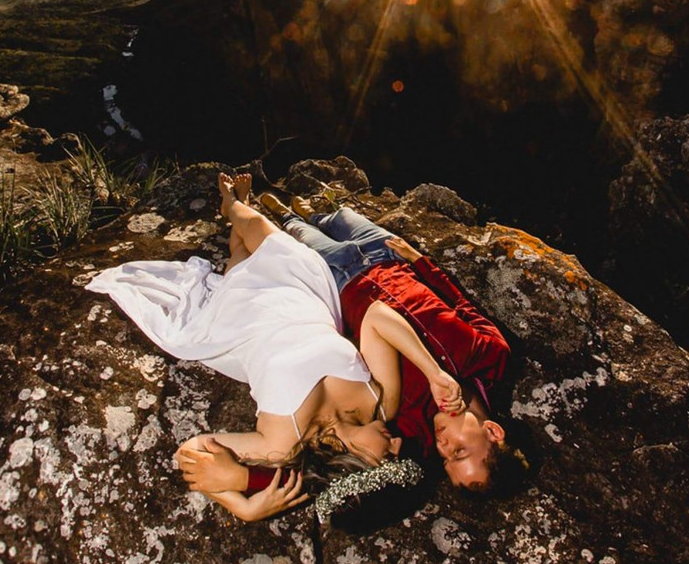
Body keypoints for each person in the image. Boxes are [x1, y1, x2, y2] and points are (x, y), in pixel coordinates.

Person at [86, 173, 462, 522]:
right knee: (262, 231)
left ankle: (234, 215)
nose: (397, 443)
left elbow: (191, 449)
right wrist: (434, 373)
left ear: (357, 464)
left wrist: (243, 502)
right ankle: (231, 205)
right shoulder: (381, 403)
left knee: (238, 267)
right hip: (303, 295)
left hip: (247, 321)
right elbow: (378, 316)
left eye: (389, 456)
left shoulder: (281, 445)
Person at [186, 194, 527, 496]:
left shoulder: (410, 428)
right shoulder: (494, 357)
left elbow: (341, 469)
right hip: (386, 255)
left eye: (445, 459)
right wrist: (421, 261)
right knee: (336, 215)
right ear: (493, 431)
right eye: (459, 452)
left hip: (335, 281)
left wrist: (246, 481)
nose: (443, 446)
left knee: (292, 232)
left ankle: (282, 213)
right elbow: (460, 303)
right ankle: (305, 205)